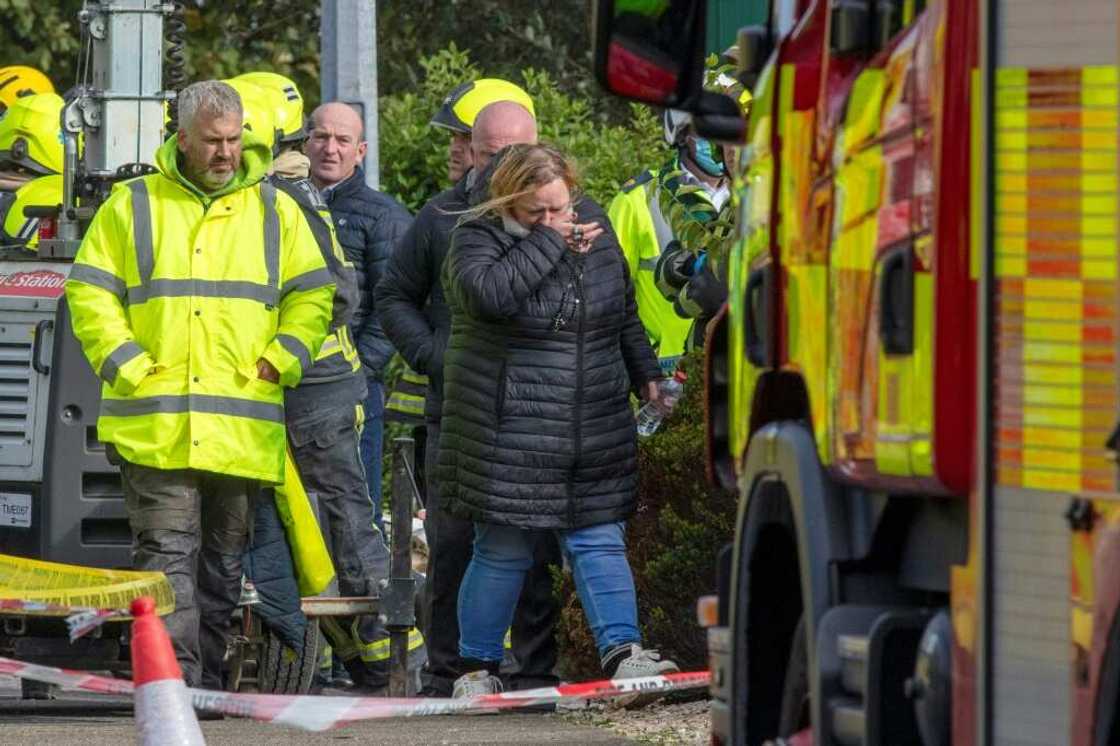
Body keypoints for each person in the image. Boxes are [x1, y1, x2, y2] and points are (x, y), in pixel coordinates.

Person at [64, 80, 335, 689]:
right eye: (212, 141)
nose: (226, 153)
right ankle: (175, 688)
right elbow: (88, 290)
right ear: (181, 139)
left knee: (220, 569)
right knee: (166, 565)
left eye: (235, 140)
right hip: (156, 424)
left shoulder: (276, 210)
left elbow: (316, 294)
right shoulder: (133, 204)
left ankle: (207, 685)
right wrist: (127, 362)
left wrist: (282, 356)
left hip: (239, 429)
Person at [439, 143, 680, 700]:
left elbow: (622, 310)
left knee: (599, 538)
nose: (552, 220)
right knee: (503, 547)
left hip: (591, 420)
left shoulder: (594, 227)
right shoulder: (475, 237)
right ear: (507, 203)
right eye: (536, 213)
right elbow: (491, 296)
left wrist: (644, 374)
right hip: (510, 428)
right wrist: (552, 242)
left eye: (560, 208)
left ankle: (625, 653)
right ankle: (475, 669)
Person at [227, 77, 408, 690]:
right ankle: (353, 655)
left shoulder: (288, 200)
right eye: (317, 135)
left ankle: (382, 648)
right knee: (301, 527)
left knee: (342, 520)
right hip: (288, 389)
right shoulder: (281, 193)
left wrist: (286, 354)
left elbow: (352, 297)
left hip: (319, 388)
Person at [378, 93, 561, 698]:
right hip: (457, 412)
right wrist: (435, 358)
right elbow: (393, 296)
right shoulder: (440, 219)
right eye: (489, 153)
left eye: (515, 152)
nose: (501, 165)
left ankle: (533, 671)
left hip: (538, 412)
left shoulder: (563, 213)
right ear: (471, 153)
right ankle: (449, 672)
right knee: (455, 546)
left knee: (535, 547)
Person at [306, 102, 412, 532]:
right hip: (286, 380)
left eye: (343, 140)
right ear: (306, 142)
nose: (331, 149)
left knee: (353, 505)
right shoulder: (276, 206)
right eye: (321, 137)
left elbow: (394, 304)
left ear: (361, 150)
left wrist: (360, 370)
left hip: (353, 387)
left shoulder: (384, 217)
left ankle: (359, 593)